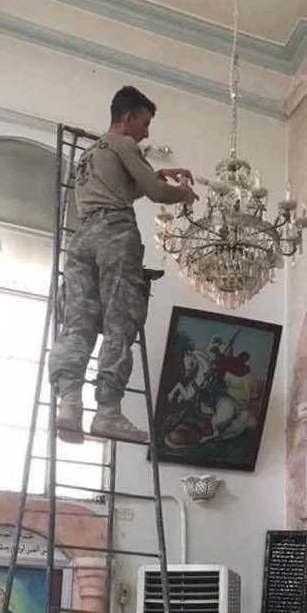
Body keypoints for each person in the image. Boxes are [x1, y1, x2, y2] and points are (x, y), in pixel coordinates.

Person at [48, 85, 198, 444]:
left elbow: (126, 187)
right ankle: (108, 413)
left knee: (78, 323)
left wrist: (158, 173)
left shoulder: (90, 154)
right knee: (120, 321)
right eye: (144, 124)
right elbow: (155, 194)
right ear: (128, 117)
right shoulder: (124, 144)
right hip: (115, 235)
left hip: (82, 238)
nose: (147, 132)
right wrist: (185, 193)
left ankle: (69, 404)